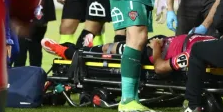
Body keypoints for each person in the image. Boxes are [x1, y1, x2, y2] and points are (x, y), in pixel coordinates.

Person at [41, 33, 213, 74]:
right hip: (161, 41)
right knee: (110, 47)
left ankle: (64, 51)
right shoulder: (213, 39)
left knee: (110, 52)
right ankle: (90, 48)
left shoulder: (192, 54)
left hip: (151, 51)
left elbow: (160, 68)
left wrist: (156, 48)